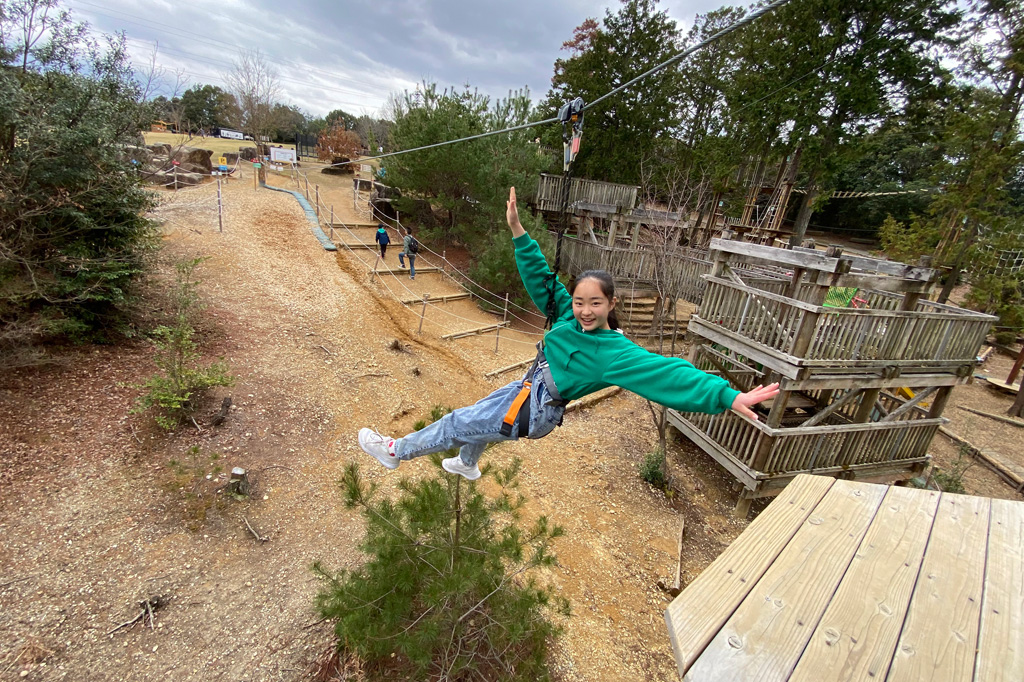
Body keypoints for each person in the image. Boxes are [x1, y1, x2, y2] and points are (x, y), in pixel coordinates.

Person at [358, 187, 779, 480]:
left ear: (611, 304)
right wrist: (518, 230)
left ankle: (396, 451)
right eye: (579, 301)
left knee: (458, 422)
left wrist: (726, 396)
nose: (585, 311)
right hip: (528, 388)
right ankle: (467, 463)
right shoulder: (567, 314)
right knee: (478, 415)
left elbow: (666, 372)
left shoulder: (613, 351)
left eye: (595, 303)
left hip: (537, 407)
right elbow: (543, 279)